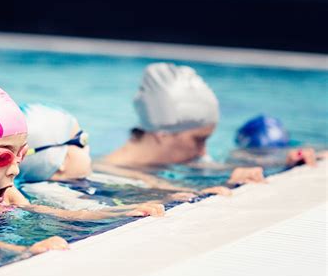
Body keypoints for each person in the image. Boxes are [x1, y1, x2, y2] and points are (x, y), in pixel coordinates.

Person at [0, 75, 164, 255]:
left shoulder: (7, 194)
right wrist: (22, 250)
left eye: (21, 154)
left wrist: (124, 211)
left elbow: (60, 214)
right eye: (2, 157)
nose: (15, 169)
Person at [16, 104, 224, 211]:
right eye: (82, 140)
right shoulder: (45, 191)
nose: (88, 147)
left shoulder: (82, 179)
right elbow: (88, 212)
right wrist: (132, 209)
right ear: (59, 162)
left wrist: (186, 193)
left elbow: (136, 188)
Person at [94, 62, 264, 189]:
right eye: (198, 140)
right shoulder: (107, 173)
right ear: (163, 133)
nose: (203, 152)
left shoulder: (171, 160)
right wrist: (229, 185)